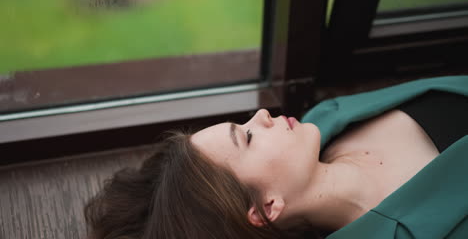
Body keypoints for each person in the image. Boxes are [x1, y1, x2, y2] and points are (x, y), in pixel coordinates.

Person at [84, 75, 468, 239]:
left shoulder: (327, 118)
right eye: (247, 137)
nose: (262, 115)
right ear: (267, 207)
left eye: (243, 122)